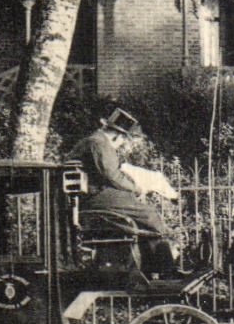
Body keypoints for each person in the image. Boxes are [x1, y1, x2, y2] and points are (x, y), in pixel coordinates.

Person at [68, 108, 185, 277]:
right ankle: (166, 270)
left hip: (92, 196)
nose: (121, 145)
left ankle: (153, 268)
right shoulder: (100, 143)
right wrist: (138, 188)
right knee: (148, 214)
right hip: (96, 197)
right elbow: (112, 176)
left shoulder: (93, 141)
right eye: (122, 141)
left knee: (141, 218)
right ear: (118, 136)